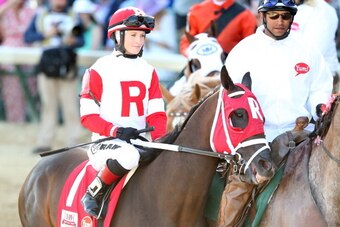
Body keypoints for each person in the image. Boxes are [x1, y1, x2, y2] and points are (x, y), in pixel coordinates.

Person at [217, 0, 333, 225]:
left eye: (285, 16)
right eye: (274, 16)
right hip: (258, 139)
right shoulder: (244, 51)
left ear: (292, 18)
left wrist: (319, 107)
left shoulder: (307, 49)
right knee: (241, 184)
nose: (280, 21)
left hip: (302, 135)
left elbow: (320, 87)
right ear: (262, 16)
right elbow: (229, 100)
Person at [79, 6, 167, 218]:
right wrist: (116, 131)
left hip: (139, 142)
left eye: (142, 36)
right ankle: (94, 192)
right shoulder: (98, 69)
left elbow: (156, 115)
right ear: (117, 36)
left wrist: (161, 141)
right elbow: (88, 117)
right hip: (105, 143)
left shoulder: (148, 70)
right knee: (129, 156)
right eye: (133, 35)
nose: (138, 41)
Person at [24, 0, 84, 153]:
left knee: (70, 104)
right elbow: (28, 36)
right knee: (48, 104)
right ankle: (45, 140)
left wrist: (73, 41)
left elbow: (81, 39)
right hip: (48, 63)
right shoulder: (41, 15)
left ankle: (74, 141)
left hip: (66, 63)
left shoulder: (73, 15)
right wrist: (45, 34)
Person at [179, 0, 257, 57]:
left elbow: (250, 48)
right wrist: (194, 56)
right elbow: (186, 43)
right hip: (201, 68)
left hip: (230, 69)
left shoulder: (246, 15)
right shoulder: (196, 11)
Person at [291, 0, 340, 92]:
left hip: (320, 84)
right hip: (292, 80)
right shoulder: (282, 6)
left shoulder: (322, 11)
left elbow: (312, 53)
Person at [0, 0, 36, 122]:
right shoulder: (6, 11)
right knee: (11, 90)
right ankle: (15, 120)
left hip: (28, 51)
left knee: (30, 88)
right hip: (8, 54)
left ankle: (31, 120)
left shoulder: (31, 10)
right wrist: (11, 3)